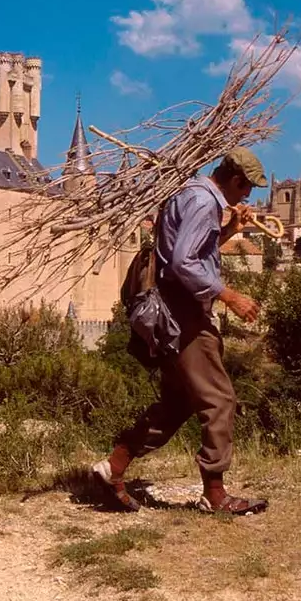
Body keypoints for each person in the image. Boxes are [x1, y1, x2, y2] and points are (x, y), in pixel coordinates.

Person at [92, 147, 269, 515]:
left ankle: (114, 467)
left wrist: (230, 230)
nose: (247, 197)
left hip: (172, 310)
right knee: (219, 400)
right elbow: (184, 263)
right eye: (247, 188)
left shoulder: (190, 193)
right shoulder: (204, 202)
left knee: (178, 402)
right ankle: (215, 493)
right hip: (185, 314)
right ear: (235, 180)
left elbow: (189, 252)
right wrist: (230, 295)